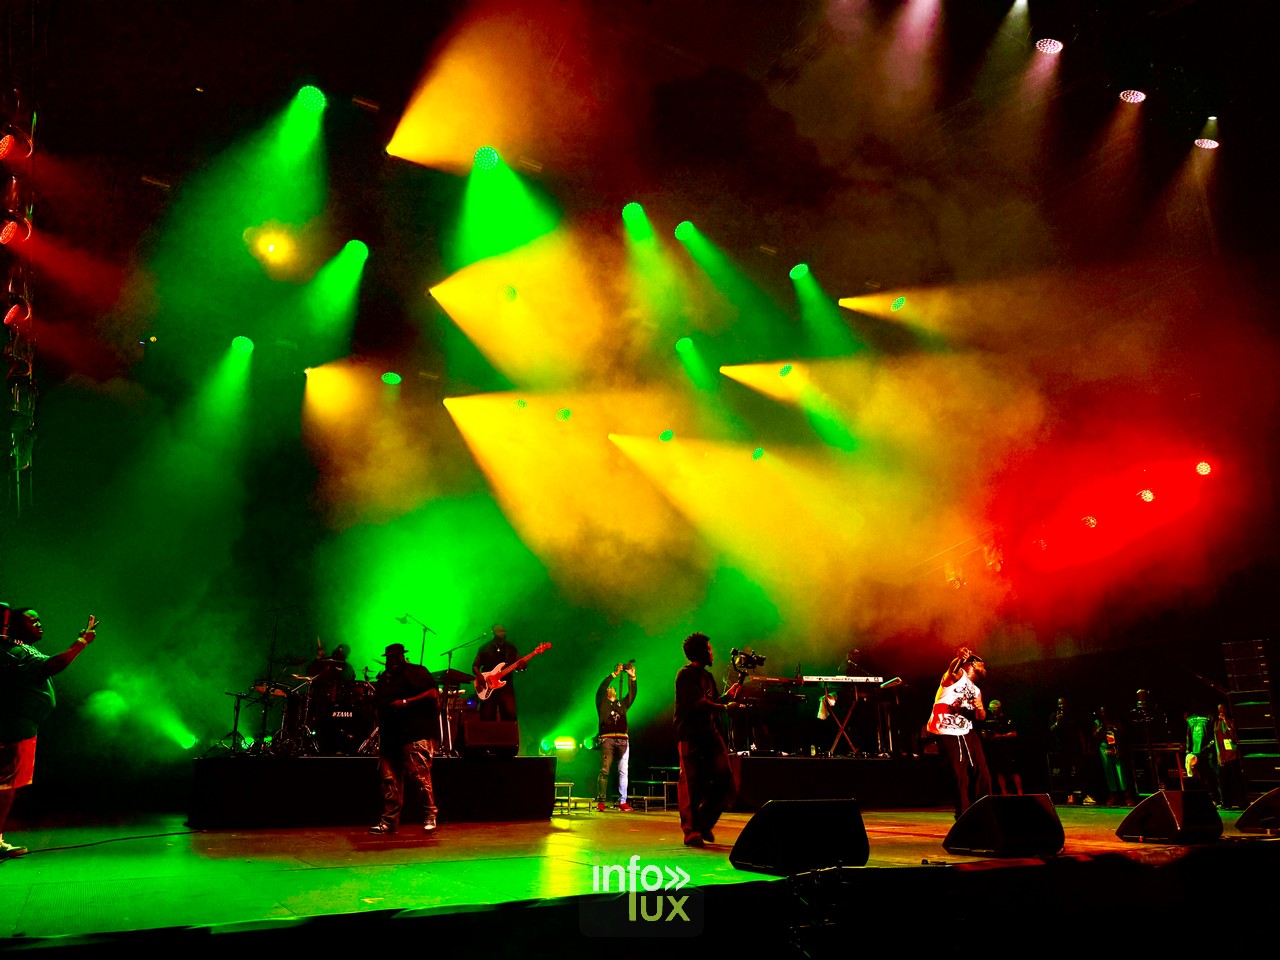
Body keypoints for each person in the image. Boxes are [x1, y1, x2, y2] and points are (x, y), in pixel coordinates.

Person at [1, 604, 98, 860]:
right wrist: (82, 642)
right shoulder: (14, 651)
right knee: (5, 787)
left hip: (21, 728)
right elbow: (54, 664)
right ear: (14, 626)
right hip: (14, 730)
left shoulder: (22, 649)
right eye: (31, 620)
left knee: (8, 787)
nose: (39, 623)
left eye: (39, 619)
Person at [674, 632, 741, 847]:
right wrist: (725, 707)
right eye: (709, 649)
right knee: (691, 784)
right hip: (691, 735)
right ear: (701, 652)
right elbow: (698, 703)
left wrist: (727, 697)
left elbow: (712, 701)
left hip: (711, 735)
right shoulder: (686, 675)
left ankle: (703, 823)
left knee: (725, 778)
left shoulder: (707, 676)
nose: (712, 653)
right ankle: (691, 831)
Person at [369, 643, 440, 835]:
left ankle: (429, 815)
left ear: (402, 656)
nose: (392, 661)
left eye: (396, 657)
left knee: (419, 777)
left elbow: (433, 693)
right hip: (390, 735)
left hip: (415, 732)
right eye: (389, 658)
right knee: (389, 781)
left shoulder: (417, 672)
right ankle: (389, 822)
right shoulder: (385, 678)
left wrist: (406, 702)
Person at [925, 646, 991, 818]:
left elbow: (981, 717)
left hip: (967, 732)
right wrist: (960, 658)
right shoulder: (957, 677)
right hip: (948, 732)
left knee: (982, 772)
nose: (985, 668)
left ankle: (984, 809)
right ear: (973, 664)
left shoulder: (976, 690)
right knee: (960, 776)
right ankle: (963, 815)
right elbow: (952, 670)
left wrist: (980, 708)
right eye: (982, 665)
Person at [595, 661, 638, 813]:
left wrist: (632, 678)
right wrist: (614, 674)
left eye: (613, 688)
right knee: (605, 770)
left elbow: (632, 695)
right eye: (610, 688)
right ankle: (601, 801)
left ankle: (623, 801)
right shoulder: (602, 703)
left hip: (623, 739)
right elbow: (601, 688)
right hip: (608, 739)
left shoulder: (622, 704)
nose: (611, 688)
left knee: (623, 771)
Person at [472, 624, 520, 723]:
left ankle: (508, 733)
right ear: (492, 632)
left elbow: (519, 667)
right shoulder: (484, 648)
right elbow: (475, 666)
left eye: (504, 630)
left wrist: (522, 666)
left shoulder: (511, 648)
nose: (502, 632)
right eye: (499, 630)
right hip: (487, 685)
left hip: (506, 687)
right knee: (487, 717)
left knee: (509, 716)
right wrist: (479, 676)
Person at [1049, 696, 1089, 805]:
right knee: (1066, 773)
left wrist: (1084, 747)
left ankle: (1085, 795)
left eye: (1063, 703)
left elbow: (1079, 731)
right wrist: (1057, 722)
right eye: (1060, 704)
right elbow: (1051, 729)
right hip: (1062, 748)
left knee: (1080, 771)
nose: (1062, 705)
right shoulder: (1054, 716)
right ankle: (1069, 795)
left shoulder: (1072, 715)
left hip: (1075, 748)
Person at [1093, 706, 1135, 806]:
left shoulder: (1115, 721)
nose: (1103, 714)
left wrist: (1115, 729)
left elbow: (1124, 732)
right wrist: (1100, 729)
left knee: (1120, 772)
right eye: (1101, 712)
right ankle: (1113, 796)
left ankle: (1127, 796)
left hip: (1116, 747)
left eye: (1105, 711)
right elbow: (1094, 735)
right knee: (1109, 772)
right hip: (1104, 748)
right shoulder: (1098, 722)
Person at [982, 699, 1023, 795]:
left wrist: (1001, 736)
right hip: (995, 749)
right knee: (999, 771)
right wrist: (984, 734)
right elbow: (985, 731)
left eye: (995, 709)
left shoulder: (1007, 719)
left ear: (999, 708)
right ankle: (1004, 792)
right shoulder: (989, 719)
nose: (993, 711)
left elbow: (1014, 733)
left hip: (1008, 749)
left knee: (1013, 770)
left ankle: (1020, 792)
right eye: (991, 709)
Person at [1184, 707, 1220, 805]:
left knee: (1203, 777)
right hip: (1206, 751)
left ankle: (1211, 798)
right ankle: (1215, 798)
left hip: (1198, 751)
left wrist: (1188, 750)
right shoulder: (1208, 717)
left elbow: (1188, 736)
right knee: (1210, 776)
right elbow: (1213, 735)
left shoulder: (1190, 720)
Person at [1214, 703, 1247, 810]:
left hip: (1232, 755)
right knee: (1223, 780)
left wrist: (1225, 720)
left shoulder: (1230, 721)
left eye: (1222, 709)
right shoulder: (1217, 723)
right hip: (1223, 756)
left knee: (1236, 780)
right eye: (1219, 709)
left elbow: (1233, 734)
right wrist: (1219, 755)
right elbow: (1216, 740)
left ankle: (1241, 802)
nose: (1221, 711)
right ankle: (1226, 802)